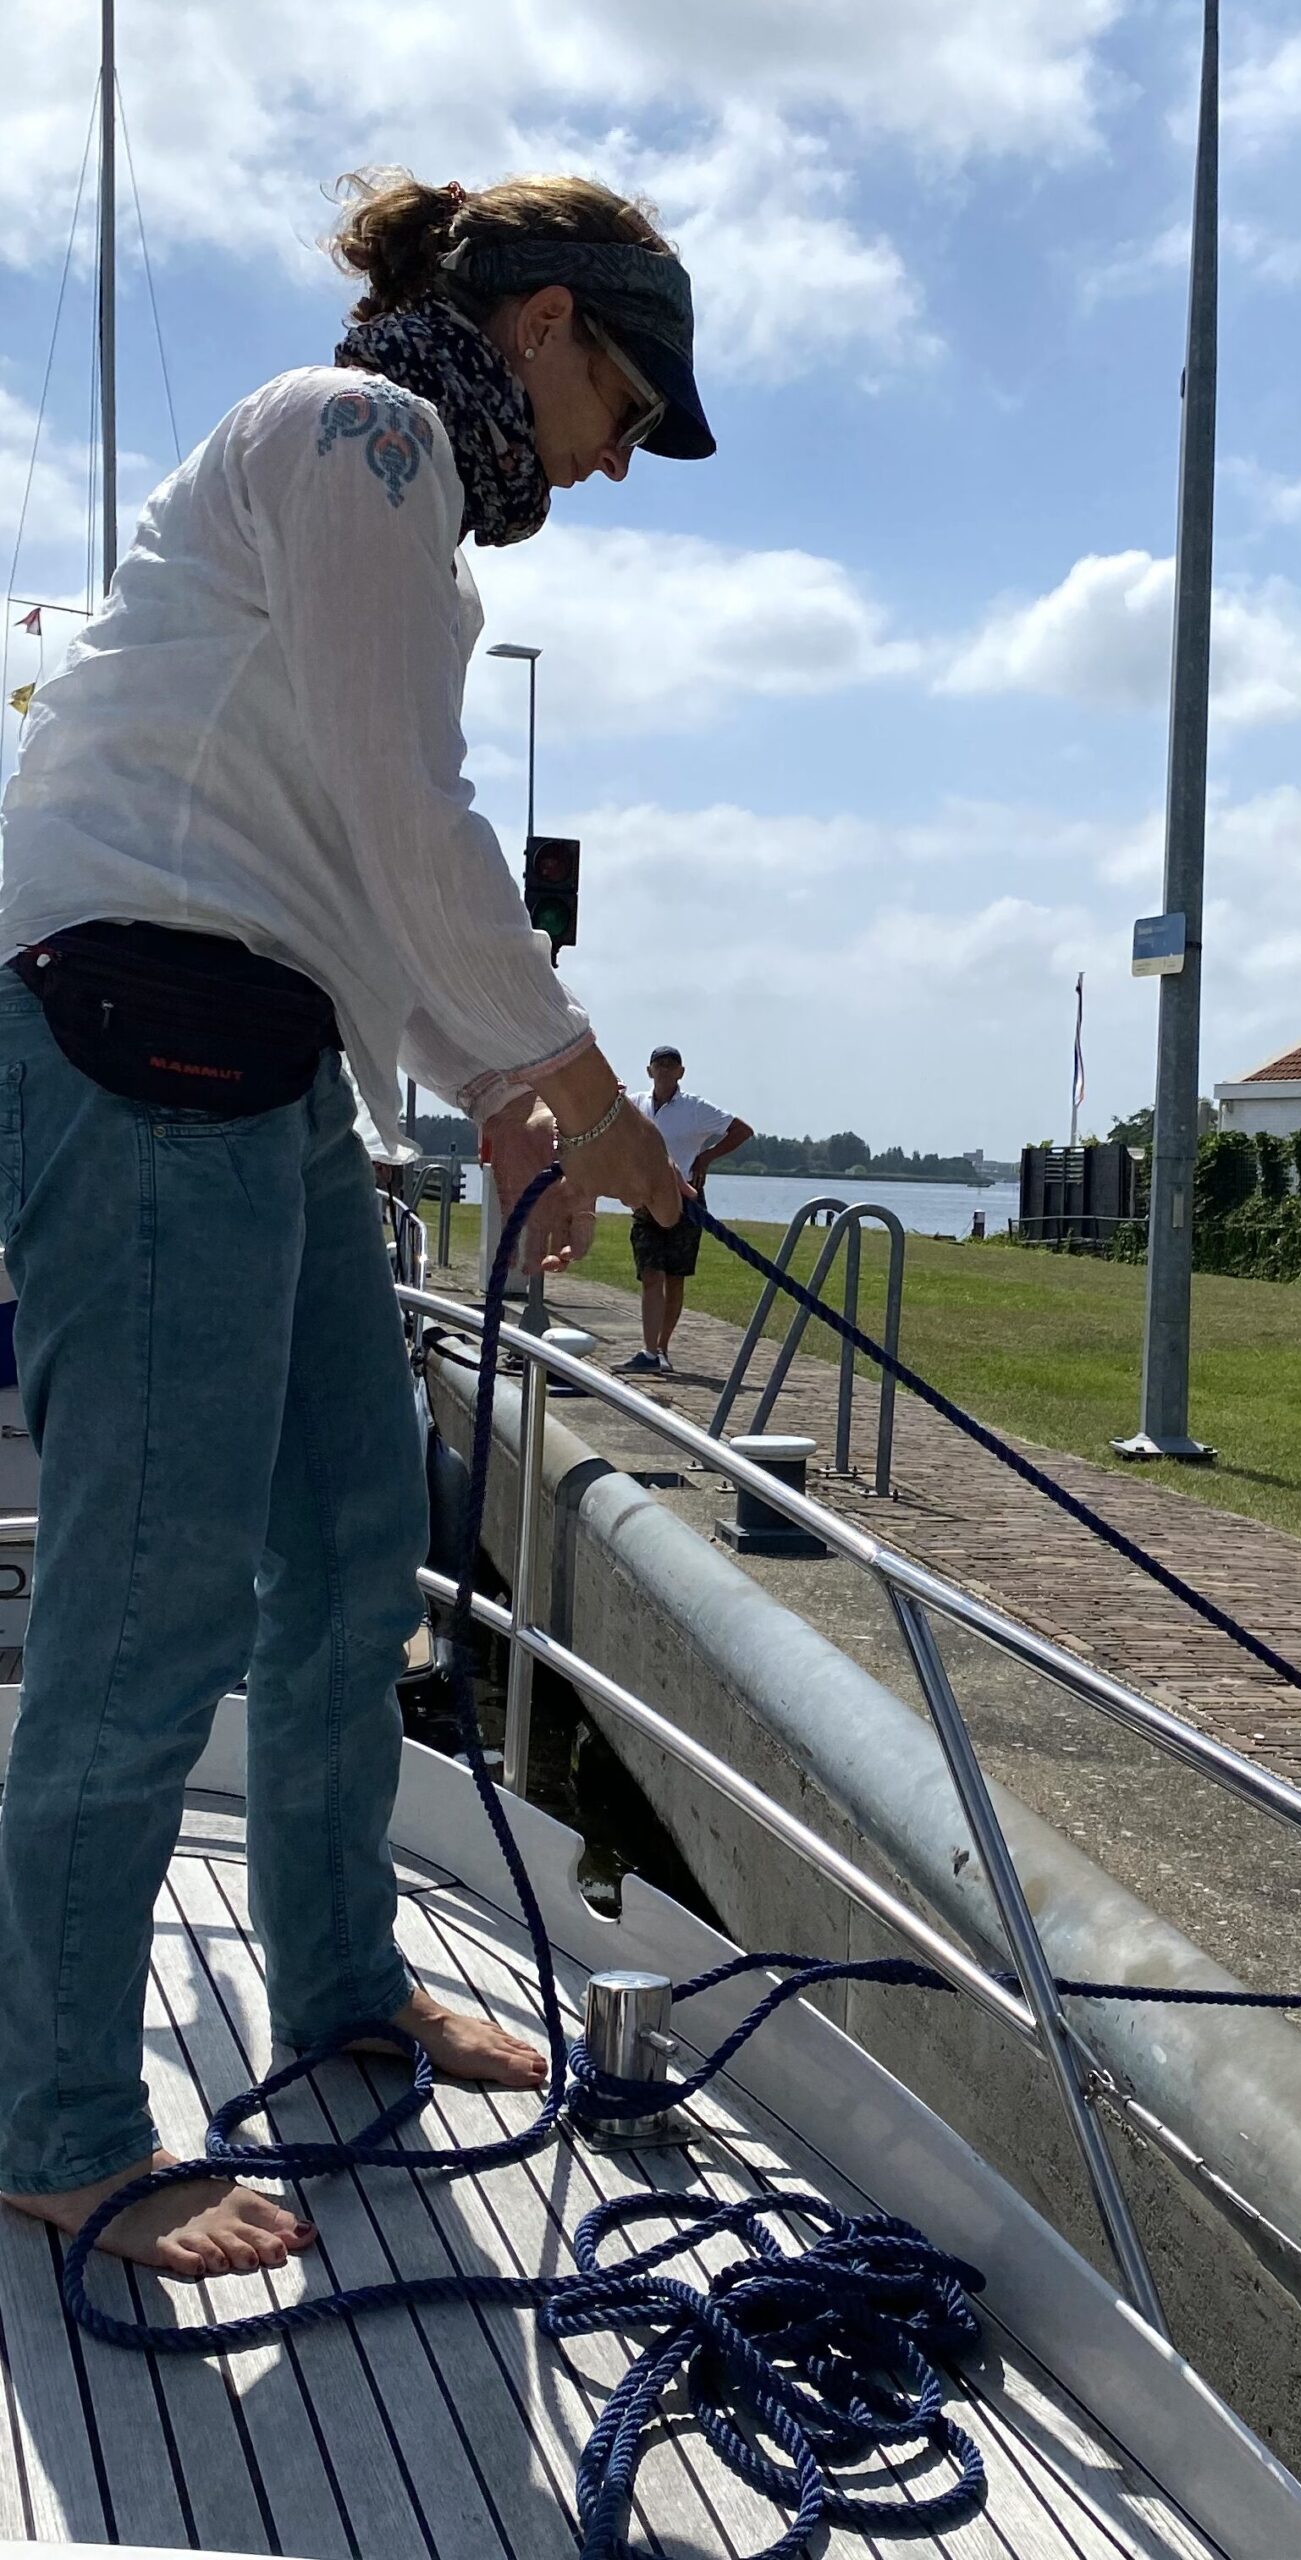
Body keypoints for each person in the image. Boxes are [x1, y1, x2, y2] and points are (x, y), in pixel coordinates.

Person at [0, 169, 714, 2278]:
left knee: (344, 1549)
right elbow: (407, 818)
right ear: (547, 322)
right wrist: (604, 1118)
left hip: (266, 1039)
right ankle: (52, 2116)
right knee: (150, 1601)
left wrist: (504, 1100)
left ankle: (336, 1982)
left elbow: (354, 838)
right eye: (628, 401)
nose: (616, 459)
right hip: (144, 1015)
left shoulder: (387, 498)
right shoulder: (365, 435)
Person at [621, 1045, 752, 1374]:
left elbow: (742, 1130)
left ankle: (662, 1347)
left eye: (671, 1065)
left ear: (681, 1072)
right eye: (659, 1065)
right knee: (651, 1275)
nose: (664, 1070)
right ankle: (648, 1351)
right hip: (645, 1201)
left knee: (675, 1278)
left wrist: (705, 1157)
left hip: (686, 1201)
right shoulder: (633, 1105)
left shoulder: (695, 1109)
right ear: (649, 1071)